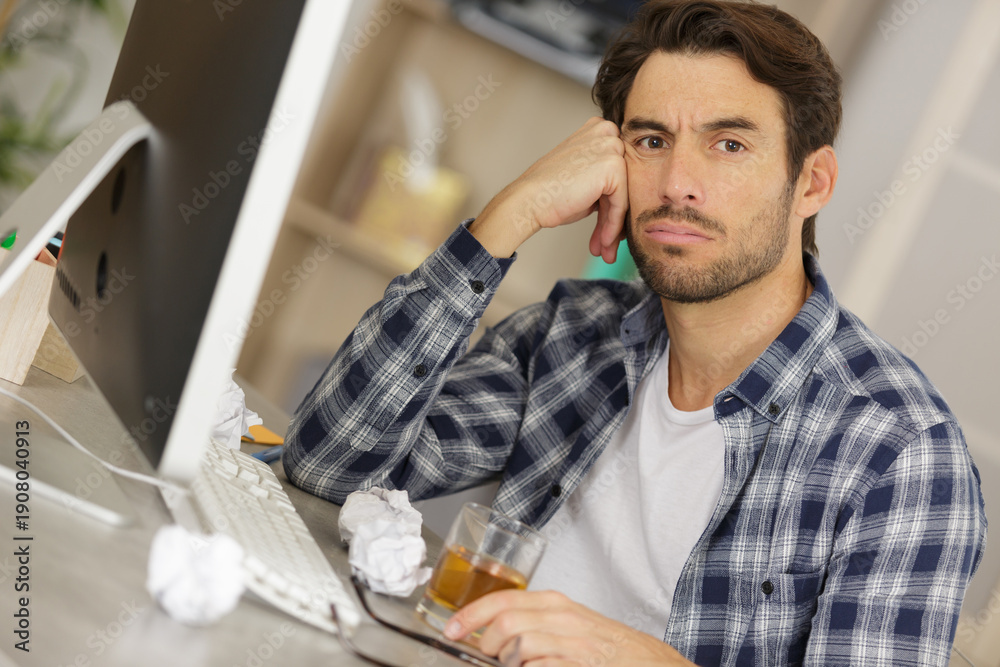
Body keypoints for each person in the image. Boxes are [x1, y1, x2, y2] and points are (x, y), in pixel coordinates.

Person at [283, 0, 987, 664]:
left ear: (812, 183)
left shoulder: (902, 452)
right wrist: (511, 214)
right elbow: (331, 466)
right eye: (651, 140)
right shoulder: (573, 333)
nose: (678, 183)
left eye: (729, 144)